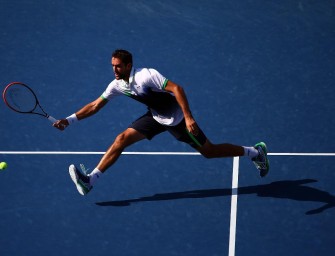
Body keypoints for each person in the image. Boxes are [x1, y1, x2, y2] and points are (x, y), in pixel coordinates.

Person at [53, 49, 270, 196]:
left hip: (177, 119)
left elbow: (177, 89)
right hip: (155, 117)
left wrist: (188, 117)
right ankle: (90, 181)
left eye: (118, 66)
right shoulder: (117, 84)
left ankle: (255, 152)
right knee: (121, 139)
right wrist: (69, 120)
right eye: (112, 66)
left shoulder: (147, 76)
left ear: (129, 65)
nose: (114, 70)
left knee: (210, 151)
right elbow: (95, 105)